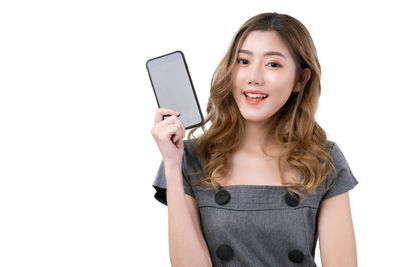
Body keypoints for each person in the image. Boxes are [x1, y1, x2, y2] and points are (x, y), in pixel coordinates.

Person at [150, 12, 358, 267]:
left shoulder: (323, 159)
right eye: (243, 61)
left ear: (300, 80)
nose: (254, 77)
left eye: (273, 64)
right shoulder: (190, 158)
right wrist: (172, 165)